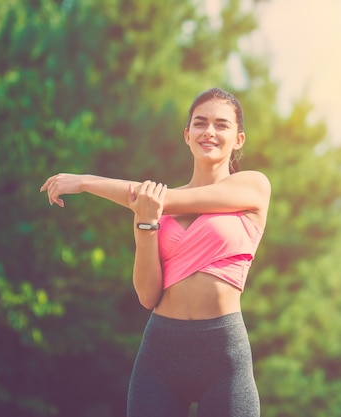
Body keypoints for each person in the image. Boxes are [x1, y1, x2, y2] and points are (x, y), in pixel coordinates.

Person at [40, 87, 271, 417]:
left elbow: (170, 202)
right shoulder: (153, 205)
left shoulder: (253, 187)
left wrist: (86, 182)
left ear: (239, 139)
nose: (209, 131)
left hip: (222, 353)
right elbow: (148, 295)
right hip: (161, 354)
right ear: (187, 134)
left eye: (222, 125)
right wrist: (146, 223)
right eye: (200, 123)